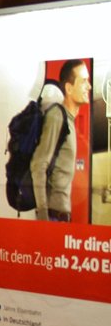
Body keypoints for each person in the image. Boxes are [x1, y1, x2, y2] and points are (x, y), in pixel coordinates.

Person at [31, 58, 91, 222]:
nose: (89, 86)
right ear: (69, 88)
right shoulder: (57, 116)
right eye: (84, 81)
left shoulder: (69, 120)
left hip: (60, 217)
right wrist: (43, 215)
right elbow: (38, 164)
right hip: (52, 217)